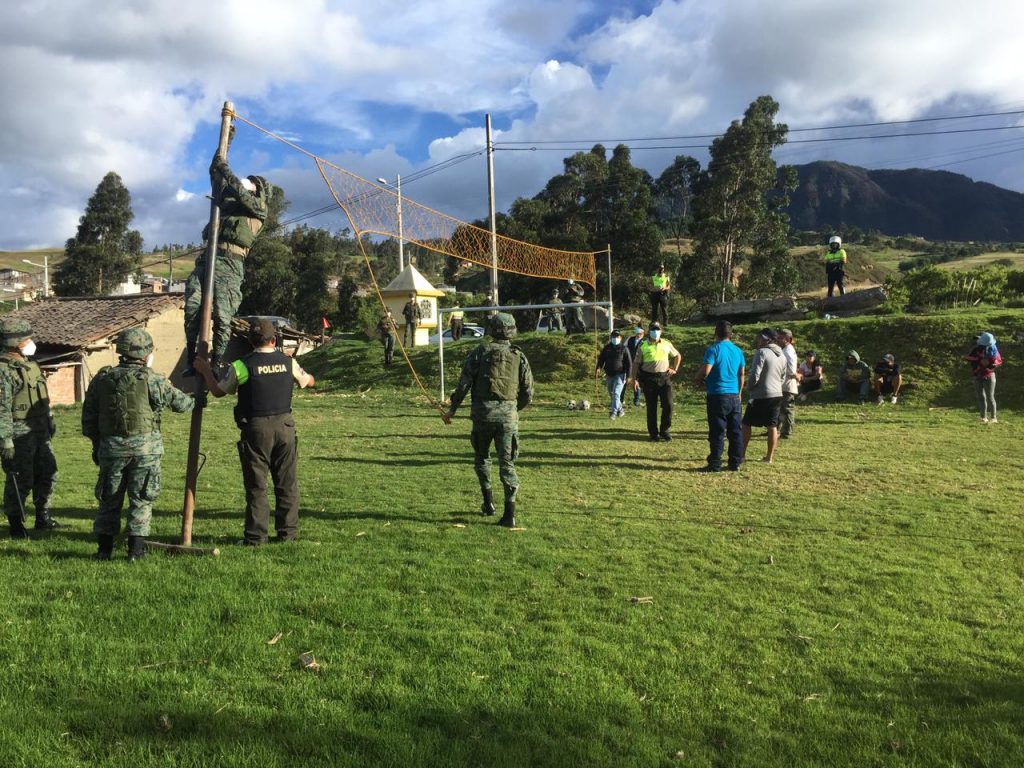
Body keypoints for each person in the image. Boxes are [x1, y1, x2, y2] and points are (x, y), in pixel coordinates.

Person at [194, 318, 315, 545]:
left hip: (256, 429)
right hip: (285, 427)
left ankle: (256, 537)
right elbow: (309, 381)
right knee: (287, 483)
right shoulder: (288, 362)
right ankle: (288, 534)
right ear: (274, 339)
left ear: (250, 341)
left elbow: (219, 391)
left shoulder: (241, 365)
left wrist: (205, 371)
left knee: (257, 485)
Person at [82, 329, 196, 561]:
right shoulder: (152, 379)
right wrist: (197, 398)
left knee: (109, 500)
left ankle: (104, 551)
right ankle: (135, 552)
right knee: (142, 500)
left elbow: (89, 419)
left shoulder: (102, 379)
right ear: (145, 354)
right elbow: (182, 404)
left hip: (111, 450)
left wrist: (97, 446)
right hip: (145, 451)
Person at [184, 142, 271, 374]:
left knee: (223, 316)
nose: (247, 184)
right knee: (192, 307)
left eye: (253, 183)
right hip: (208, 258)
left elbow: (236, 186)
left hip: (230, 264)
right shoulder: (225, 205)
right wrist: (226, 144)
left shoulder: (259, 209)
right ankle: (191, 359)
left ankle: (216, 363)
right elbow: (216, 173)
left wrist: (226, 169)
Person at [442, 313, 533, 528]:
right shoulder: (519, 356)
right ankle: (509, 514)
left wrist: (452, 410)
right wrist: (513, 409)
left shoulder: (480, 352)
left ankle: (488, 502)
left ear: (492, 330)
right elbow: (528, 391)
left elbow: (464, 384)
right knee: (507, 463)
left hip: (482, 415)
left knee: (482, 458)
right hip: (508, 417)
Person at [0, 318, 60, 538]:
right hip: (18, 432)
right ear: (15, 342)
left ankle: (43, 517)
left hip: (39, 428)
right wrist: (5, 439)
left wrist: (49, 418)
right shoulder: (4, 370)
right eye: (27, 339)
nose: (31, 342)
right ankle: (16, 525)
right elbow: (2, 407)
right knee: (20, 478)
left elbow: (41, 396)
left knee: (48, 472)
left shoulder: (29, 364)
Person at [695, 320, 746, 472]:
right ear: (731, 334)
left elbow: (706, 370)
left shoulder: (713, 349)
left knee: (717, 431)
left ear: (716, 332)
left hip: (717, 395)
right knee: (735, 431)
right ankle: (735, 462)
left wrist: (697, 379)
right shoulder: (738, 351)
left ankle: (715, 463)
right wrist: (739, 392)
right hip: (734, 394)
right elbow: (741, 374)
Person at [629, 321, 681, 441]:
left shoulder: (666, 343)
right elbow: (636, 363)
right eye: (653, 329)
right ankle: (653, 434)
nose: (655, 332)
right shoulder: (643, 345)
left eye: (657, 329)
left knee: (668, 405)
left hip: (664, 378)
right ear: (649, 332)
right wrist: (634, 379)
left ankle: (664, 431)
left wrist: (674, 369)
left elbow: (677, 355)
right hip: (649, 379)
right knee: (651, 408)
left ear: (661, 331)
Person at [742, 328, 786, 464]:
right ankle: (769, 458)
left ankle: (741, 454)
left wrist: (749, 388)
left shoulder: (762, 352)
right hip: (777, 393)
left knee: (746, 423)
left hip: (761, 394)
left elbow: (755, 374)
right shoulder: (782, 355)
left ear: (766, 339)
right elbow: (783, 377)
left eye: (760, 337)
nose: (758, 340)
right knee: (772, 425)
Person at [965, 332, 1002, 423]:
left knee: (990, 397)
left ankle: (993, 418)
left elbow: (999, 361)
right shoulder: (976, 349)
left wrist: (993, 364)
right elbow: (967, 357)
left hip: (989, 375)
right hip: (977, 375)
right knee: (981, 397)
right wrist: (978, 359)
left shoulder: (993, 350)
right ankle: (983, 417)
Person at [595, 330, 632, 420]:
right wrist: (598, 368)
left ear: (620, 338)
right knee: (612, 393)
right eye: (613, 337)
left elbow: (629, 363)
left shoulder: (624, 348)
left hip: (620, 374)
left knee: (616, 393)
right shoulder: (607, 348)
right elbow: (601, 359)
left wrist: (629, 376)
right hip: (609, 374)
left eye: (617, 336)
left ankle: (614, 412)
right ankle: (620, 409)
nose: (615, 338)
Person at [777, 328, 800, 439]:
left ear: (786, 339)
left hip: (787, 385)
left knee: (787, 409)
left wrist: (796, 375)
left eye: (780, 338)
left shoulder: (788, 351)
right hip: (782, 384)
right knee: (779, 409)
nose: (777, 339)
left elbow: (791, 371)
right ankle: (775, 429)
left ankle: (787, 432)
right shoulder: (785, 349)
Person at [622, 326, 645, 409]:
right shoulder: (630, 339)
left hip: (639, 365)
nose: (638, 335)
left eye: (640, 334)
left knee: (637, 382)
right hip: (628, 363)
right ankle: (621, 399)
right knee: (624, 381)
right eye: (637, 333)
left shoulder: (645, 342)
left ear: (643, 333)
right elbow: (624, 348)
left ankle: (636, 401)